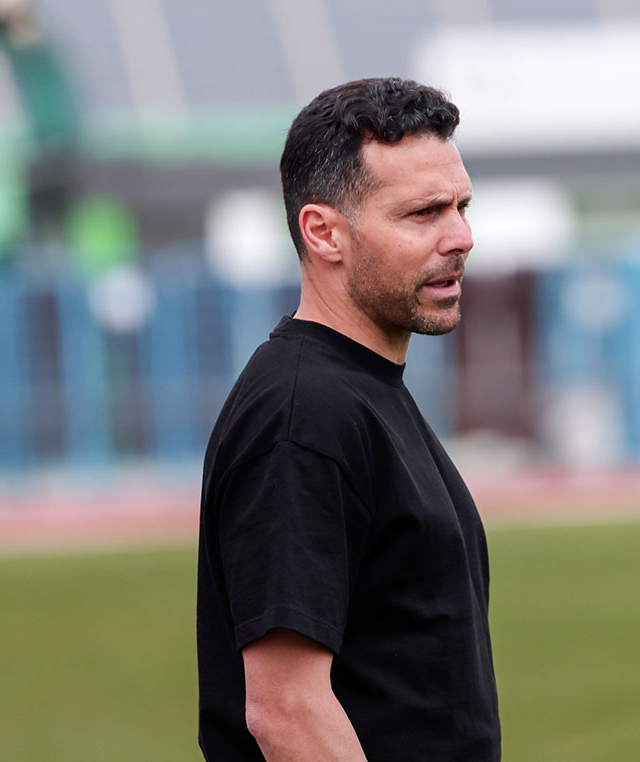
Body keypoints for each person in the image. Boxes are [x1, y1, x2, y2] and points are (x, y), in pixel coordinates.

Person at [196, 78, 501, 761]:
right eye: (422, 213)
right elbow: (286, 711)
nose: (460, 237)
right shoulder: (304, 414)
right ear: (324, 233)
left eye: (461, 207)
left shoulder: (361, 390)